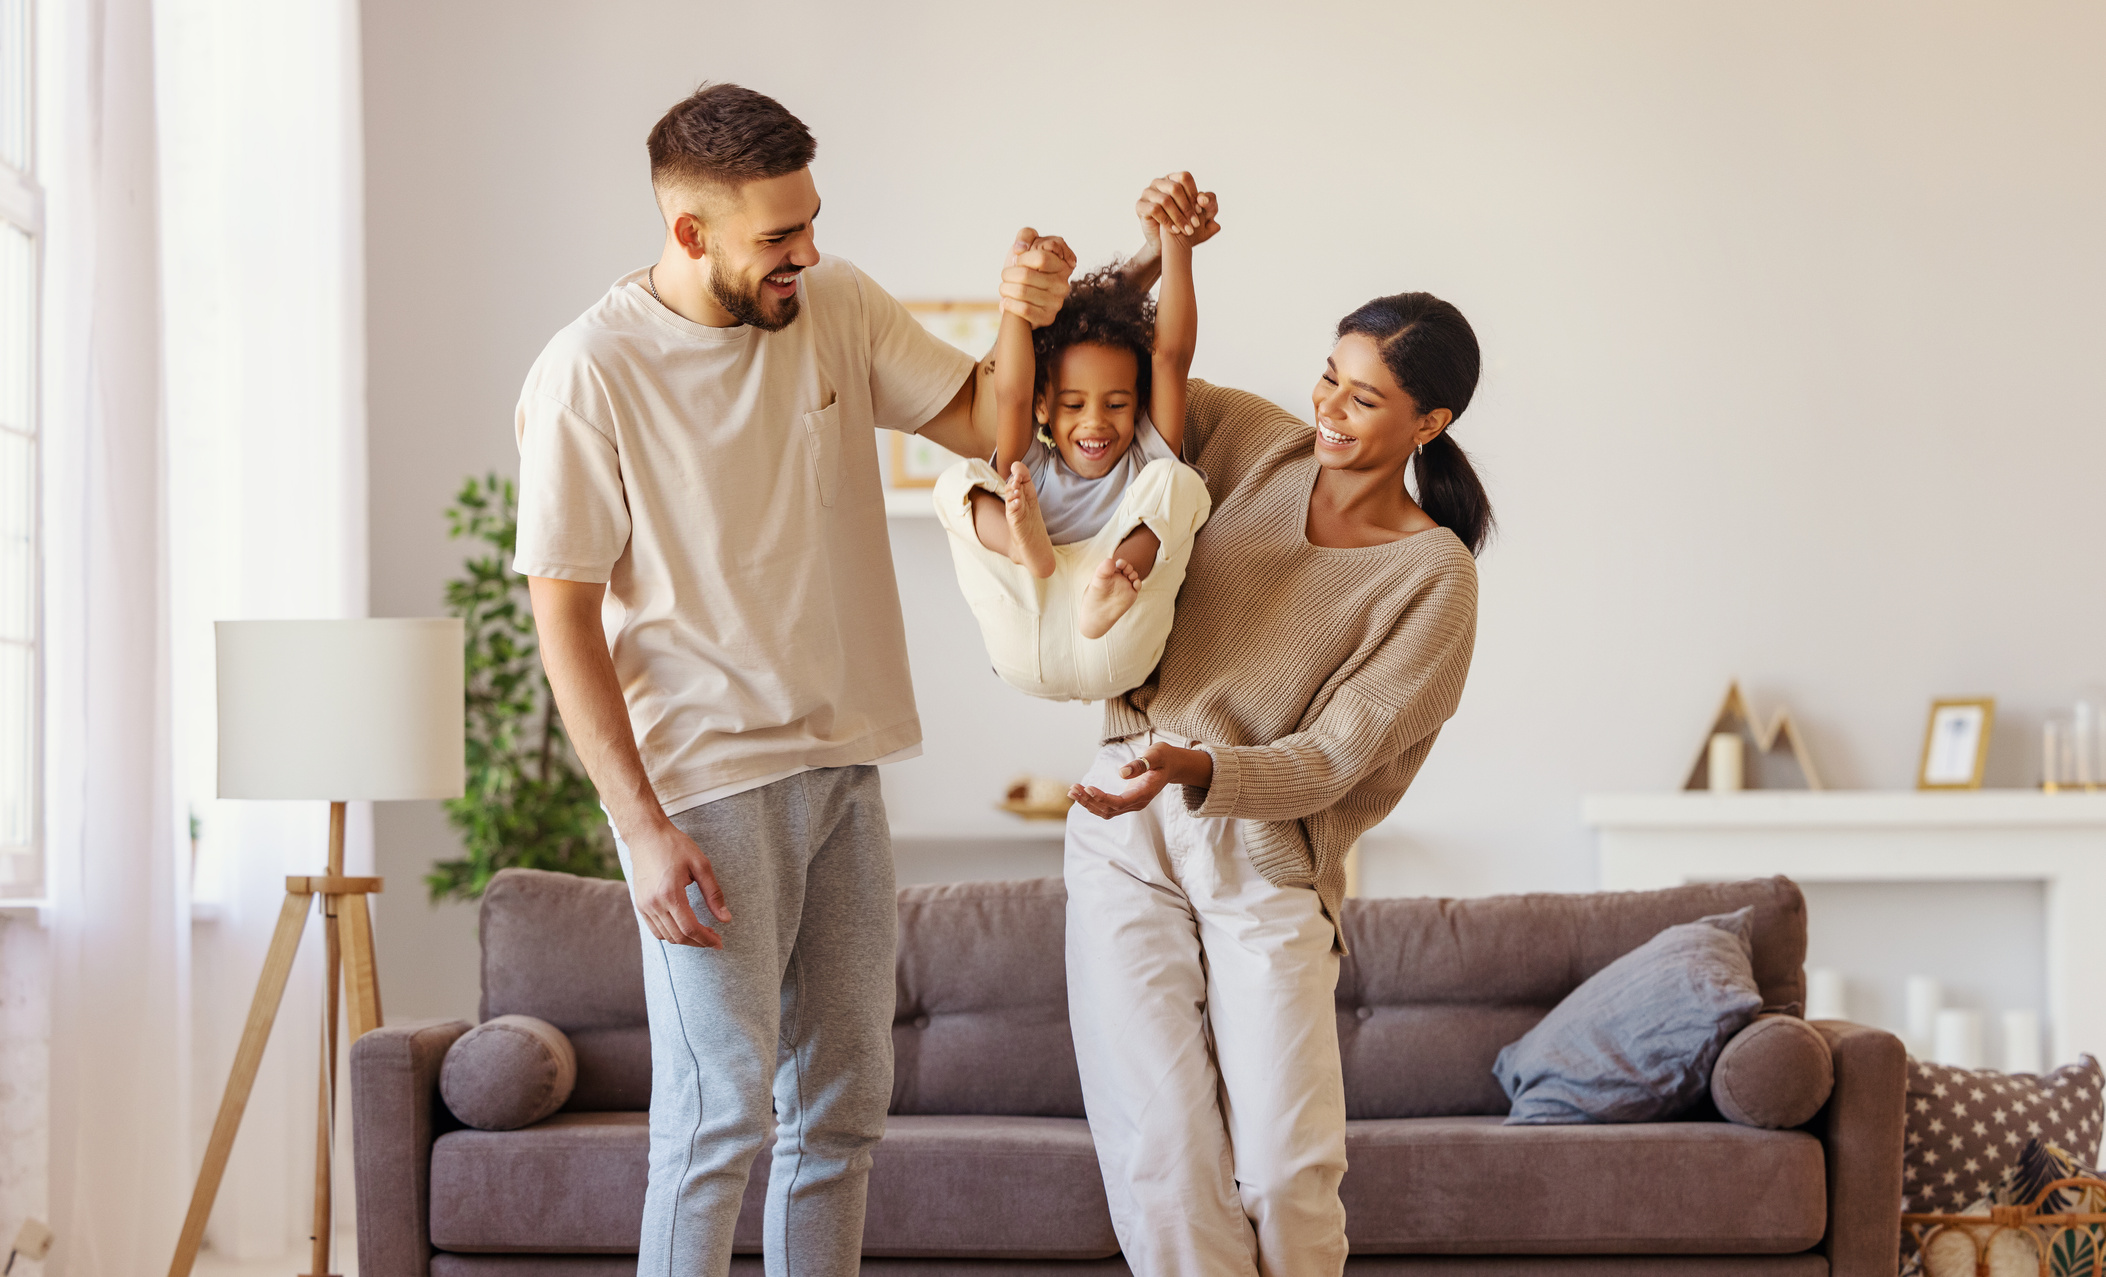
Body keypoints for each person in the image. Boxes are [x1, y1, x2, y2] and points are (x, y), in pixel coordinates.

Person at [512, 83, 1074, 1277]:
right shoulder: (588, 370)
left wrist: (1022, 316)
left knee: (842, 1116)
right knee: (717, 1120)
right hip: (706, 786)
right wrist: (642, 826)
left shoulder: (836, 305)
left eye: (810, 222)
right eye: (777, 237)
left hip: (846, 763)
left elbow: (990, 426)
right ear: (689, 234)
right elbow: (561, 611)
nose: (804, 253)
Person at [1061, 173, 1492, 1277]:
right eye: (1329, 380)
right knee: (1159, 1163)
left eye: (1364, 401)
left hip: (1263, 852)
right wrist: (1164, 248)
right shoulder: (1248, 440)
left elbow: (1339, 753)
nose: (1329, 412)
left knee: (1287, 1171)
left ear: (1428, 424)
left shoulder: (1430, 575)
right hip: (1125, 822)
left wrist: (1195, 761)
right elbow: (1113, 367)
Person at [931, 194, 1215, 701]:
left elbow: (1171, 356)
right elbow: (1010, 391)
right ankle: (1020, 544)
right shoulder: (1030, 469)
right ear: (1044, 407)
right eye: (1073, 405)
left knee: (1178, 482)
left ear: (1140, 403)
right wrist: (1017, 301)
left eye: (1116, 404)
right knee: (958, 482)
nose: (1095, 423)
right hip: (1027, 624)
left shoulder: (1148, 458)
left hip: (1115, 631)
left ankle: (1121, 573)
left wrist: (1178, 243)